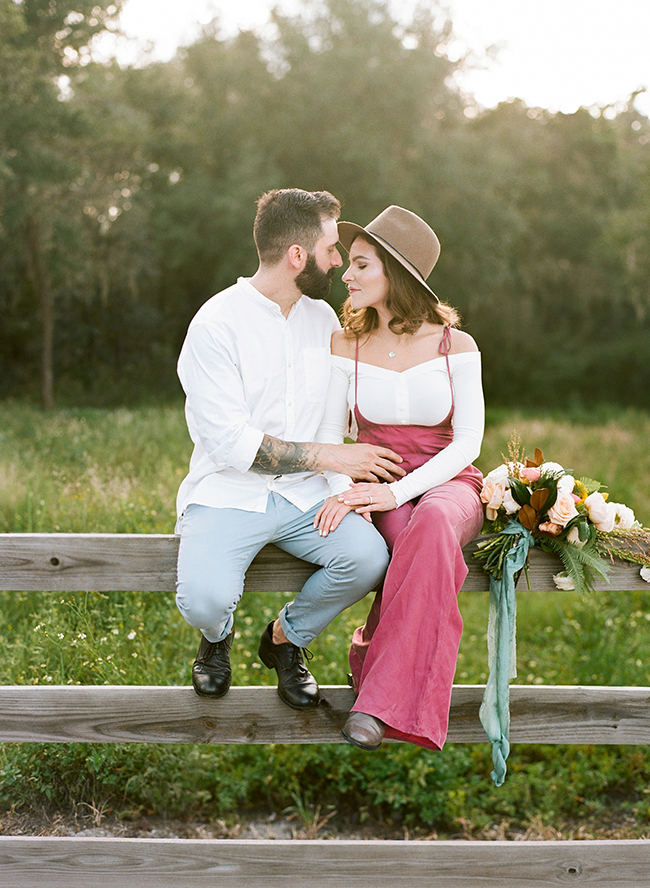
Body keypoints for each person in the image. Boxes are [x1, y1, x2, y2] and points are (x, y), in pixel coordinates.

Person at [175, 188, 406, 711]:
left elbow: (335, 418)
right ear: (297, 255)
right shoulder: (214, 325)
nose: (337, 261)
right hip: (229, 493)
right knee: (203, 599)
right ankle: (217, 636)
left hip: (306, 496)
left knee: (367, 559)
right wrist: (336, 459)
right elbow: (235, 445)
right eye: (330, 248)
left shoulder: (323, 319)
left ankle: (285, 639)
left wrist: (344, 488)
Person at [315, 205, 485, 750]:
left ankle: (373, 688)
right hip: (374, 483)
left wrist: (399, 490)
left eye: (361, 265)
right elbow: (328, 437)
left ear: (395, 273)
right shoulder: (346, 344)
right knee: (405, 536)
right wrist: (346, 494)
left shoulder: (455, 345)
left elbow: (468, 442)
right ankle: (384, 697)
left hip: (449, 479)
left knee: (433, 522)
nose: (347, 274)